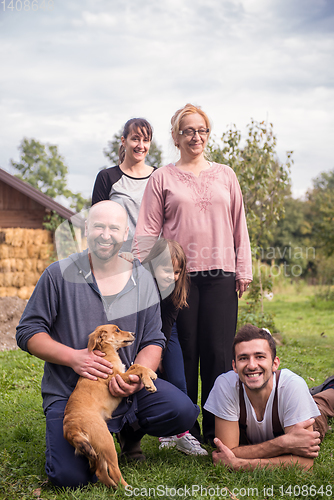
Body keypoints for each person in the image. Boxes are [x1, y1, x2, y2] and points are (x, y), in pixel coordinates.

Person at [16, 201, 199, 488]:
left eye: (114, 228)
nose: (106, 234)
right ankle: (92, 439)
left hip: (124, 390)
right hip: (73, 396)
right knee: (69, 478)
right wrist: (74, 358)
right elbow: (28, 331)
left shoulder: (142, 280)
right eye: (99, 226)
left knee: (183, 411)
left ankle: (129, 431)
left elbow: (154, 340)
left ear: (126, 233)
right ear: (87, 229)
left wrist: (137, 380)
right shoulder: (57, 274)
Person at [133, 103, 253, 445]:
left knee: (216, 353)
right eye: (188, 130)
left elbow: (238, 225)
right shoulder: (162, 177)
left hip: (221, 274)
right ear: (175, 136)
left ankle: (217, 429)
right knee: (183, 353)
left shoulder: (226, 175)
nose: (195, 136)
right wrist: (143, 277)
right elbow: (148, 230)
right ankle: (184, 429)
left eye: (201, 130)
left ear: (207, 134)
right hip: (177, 277)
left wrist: (243, 268)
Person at [204, 324, 334, 470]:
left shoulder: (293, 385)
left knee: (321, 404)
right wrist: (285, 443)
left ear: (274, 363)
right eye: (243, 358)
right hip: (287, 412)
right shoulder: (225, 385)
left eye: (260, 356)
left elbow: (304, 463)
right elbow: (227, 452)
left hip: (305, 406)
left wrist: (240, 464)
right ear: (234, 366)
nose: (252, 365)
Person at [141, 238, 208, 456]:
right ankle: (163, 432)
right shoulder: (140, 284)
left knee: (179, 379)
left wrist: (159, 352)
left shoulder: (175, 288)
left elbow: (168, 321)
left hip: (167, 332)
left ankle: (181, 433)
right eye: (167, 270)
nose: (172, 276)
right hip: (142, 332)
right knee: (150, 377)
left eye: (178, 272)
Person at [92, 118, 156, 251]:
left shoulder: (159, 176)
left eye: (145, 140)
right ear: (123, 141)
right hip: (117, 259)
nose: (140, 145)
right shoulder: (107, 177)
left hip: (153, 260)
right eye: (135, 139)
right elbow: (97, 223)